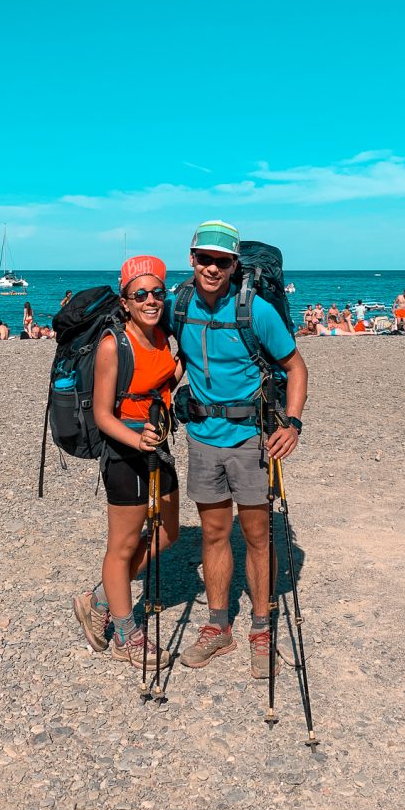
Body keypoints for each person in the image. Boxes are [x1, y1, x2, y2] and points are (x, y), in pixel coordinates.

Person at [164, 221, 308, 679]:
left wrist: (294, 423)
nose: (211, 268)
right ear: (191, 259)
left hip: (251, 439)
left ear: (233, 266)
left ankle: (262, 630)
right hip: (201, 436)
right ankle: (218, 626)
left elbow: (296, 366)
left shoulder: (257, 310)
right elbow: (150, 341)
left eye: (221, 261)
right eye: (203, 259)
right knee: (212, 533)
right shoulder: (177, 305)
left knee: (257, 535)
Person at [73, 256, 184, 669]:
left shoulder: (162, 339)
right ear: (125, 301)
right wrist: (137, 439)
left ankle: (98, 598)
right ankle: (125, 634)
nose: (151, 300)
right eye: (141, 294)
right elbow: (103, 415)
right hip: (125, 452)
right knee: (120, 548)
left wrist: (179, 371)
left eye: (158, 292)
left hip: (157, 444)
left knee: (168, 533)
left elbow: (158, 382)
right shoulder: (111, 345)